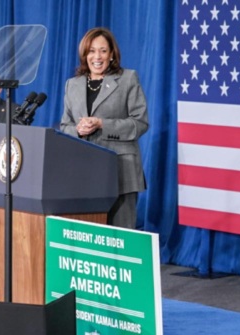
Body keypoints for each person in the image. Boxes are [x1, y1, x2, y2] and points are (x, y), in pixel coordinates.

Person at [60, 27, 149, 229]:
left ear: (111, 54)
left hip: (120, 170)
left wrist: (102, 124)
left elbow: (140, 123)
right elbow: (65, 125)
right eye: (91, 51)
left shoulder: (127, 79)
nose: (97, 56)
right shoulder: (72, 85)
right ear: (85, 55)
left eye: (102, 50)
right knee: (89, 234)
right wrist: (78, 130)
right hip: (84, 171)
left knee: (121, 237)